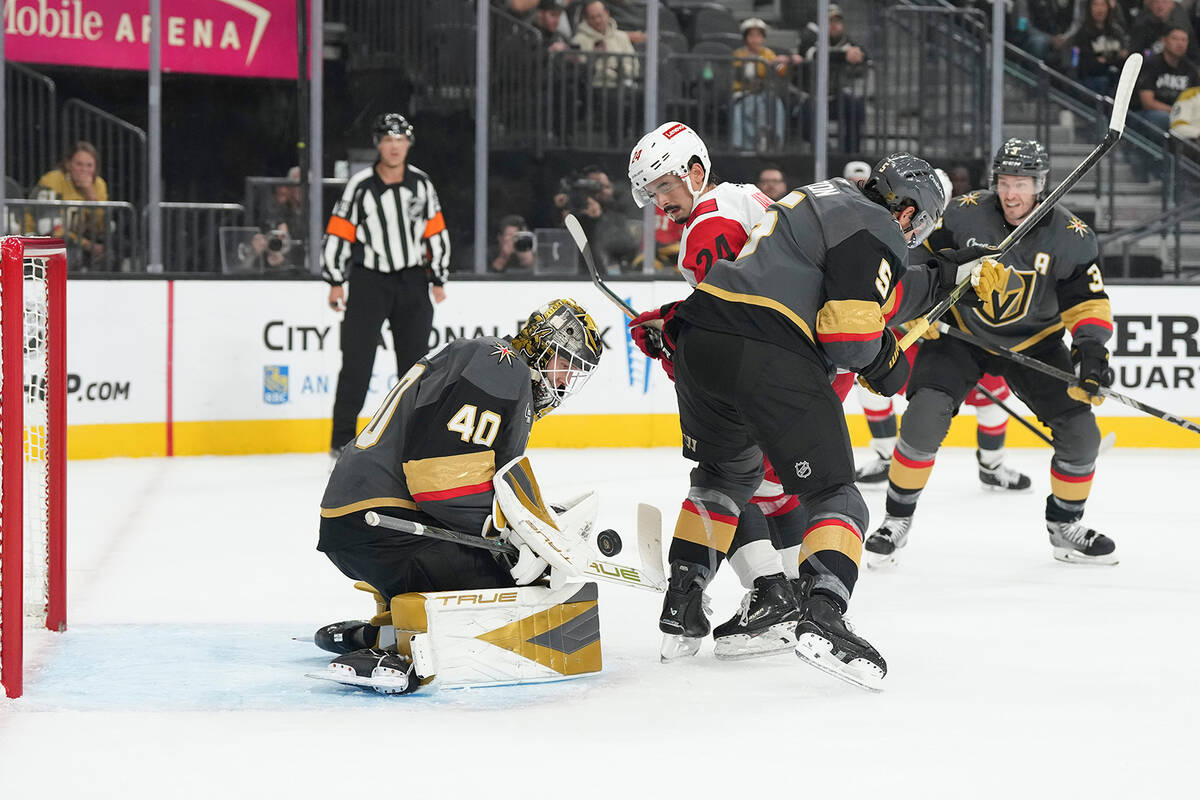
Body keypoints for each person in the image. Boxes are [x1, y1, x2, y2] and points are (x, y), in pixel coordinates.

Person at [632, 144, 990, 687]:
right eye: (921, 227)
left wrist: (945, 274)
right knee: (837, 496)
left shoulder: (823, 200)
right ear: (909, 211)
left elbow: (878, 292)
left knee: (723, 480)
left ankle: (681, 606)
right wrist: (891, 366)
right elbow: (848, 334)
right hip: (769, 350)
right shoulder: (878, 228)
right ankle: (823, 615)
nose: (915, 237)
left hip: (701, 344)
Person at [314, 298, 603, 693]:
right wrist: (510, 534)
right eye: (565, 363)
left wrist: (522, 524)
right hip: (385, 525)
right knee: (520, 585)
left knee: (516, 565)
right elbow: (441, 483)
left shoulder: (493, 365)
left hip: (364, 520)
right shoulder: (502, 365)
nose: (566, 381)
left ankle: (378, 634)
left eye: (576, 372)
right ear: (541, 342)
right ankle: (404, 648)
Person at [865, 139, 1119, 569]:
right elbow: (914, 257)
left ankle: (1065, 527)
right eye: (1004, 182)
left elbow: (1087, 302)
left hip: (1035, 341)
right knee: (923, 418)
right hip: (961, 334)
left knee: (1082, 436)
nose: (1011, 193)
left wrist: (1091, 352)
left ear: (1041, 185)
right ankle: (896, 520)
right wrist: (912, 308)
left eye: (1021, 183)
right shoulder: (962, 212)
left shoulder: (1071, 236)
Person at [627, 121, 815, 661]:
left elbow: (729, 315)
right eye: (652, 191)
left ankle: (772, 595)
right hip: (798, 361)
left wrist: (672, 329)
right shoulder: (738, 198)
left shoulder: (708, 227)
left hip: (770, 369)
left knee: (726, 477)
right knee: (760, 482)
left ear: (695, 170)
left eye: (665, 186)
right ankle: (783, 592)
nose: (660, 202)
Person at [323, 113, 450, 457]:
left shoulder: (421, 184)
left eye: (400, 140)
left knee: (415, 366)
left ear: (408, 143)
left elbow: (435, 231)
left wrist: (437, 276)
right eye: (387, 140)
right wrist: (335, 280)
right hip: (369, 280)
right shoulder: (360, 185)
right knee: (357, 361)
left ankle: (412, 438)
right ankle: (341, 440)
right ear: (378, 144)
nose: (394, 147)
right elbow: (339, 231)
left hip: (412, 280)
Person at [798, 5, 868, 153]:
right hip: (811, 96)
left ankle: (851, 152)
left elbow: (863, 54)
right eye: (830, 21)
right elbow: (812, 54)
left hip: (835, 96)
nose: (835, 26)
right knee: (807, 114)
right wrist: (843, 56)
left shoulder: (845, 40)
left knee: (856, 106)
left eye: (838, 22)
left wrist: (859, 55)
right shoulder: (810, 37)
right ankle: (822, 151)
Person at [32, 141, 110, 270]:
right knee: (71, 252)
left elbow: (101, 227)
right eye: (79, 164)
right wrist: (86, 244)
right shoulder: (52, 180)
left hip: (81, 239)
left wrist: (91, 196)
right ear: (68, 164)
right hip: (42, 237)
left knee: (111, 252)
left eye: (89, 165)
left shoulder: (98, 185)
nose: (84, 170)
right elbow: (47, 227)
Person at [572, 1, 642, 142]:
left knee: (643, 95)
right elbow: (581, 70)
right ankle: (615, 141)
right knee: (614, 98)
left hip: (624, 82)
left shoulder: (622, 37)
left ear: (607, 14)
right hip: (596, 86)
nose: (597, 20)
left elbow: (634, 65)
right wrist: (596, 59)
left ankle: (637, 139)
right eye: (592, 17)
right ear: (586, 19)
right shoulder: (579, 40)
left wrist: (620, 70)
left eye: (599, 16)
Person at [731, 17, 791, 151]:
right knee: (750, 107)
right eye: (751, 35)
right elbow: (741, 76)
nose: (755, 39)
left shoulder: (768, 54)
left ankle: (774, 140)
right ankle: (748, 145)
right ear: (746, 37)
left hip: (764, 93)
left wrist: (782, 62)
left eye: (759, 35)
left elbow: (780, 70)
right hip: (744, 93)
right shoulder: (739, 54)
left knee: (777, 105)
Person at [1133, 26, 1199, 131]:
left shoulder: (1191, 70)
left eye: (1184, 40)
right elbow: (1148, 103)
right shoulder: (1151, 64)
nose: (1180, 43)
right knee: (1165, 120)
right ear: (1164, 41)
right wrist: (1174, 112)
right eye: (1175, 39)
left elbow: (1195, 102)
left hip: (1179, 115)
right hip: (1146, 114)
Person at [1065, 0, 1131, 97]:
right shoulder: (1083, 34)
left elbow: (1124, 59)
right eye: (1095, 5)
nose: (1099, 9)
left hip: (1115, 77)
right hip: (1092, 80)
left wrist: (1105, 60)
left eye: (1102, 5)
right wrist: (1114, 58)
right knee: (1104, 82)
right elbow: (1089, 65)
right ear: (1089, 8)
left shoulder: (1116, 32)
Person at [246, 166, 306, 272]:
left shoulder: (315, 215)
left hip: (306, 267)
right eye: (296, 186)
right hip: (278, 268)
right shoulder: (276, 213)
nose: (299, 190)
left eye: (303, 186)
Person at [1130, 0, 1199, 61]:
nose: (1160, 6)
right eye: (1156, 2)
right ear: (1150, 6)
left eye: (1164, 2)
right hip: (1148, 67)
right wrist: (1150, 54)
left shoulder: (1182, 24)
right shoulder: (1142, 25)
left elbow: (1193, 52)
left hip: (1180, 69)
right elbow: (1135, 53)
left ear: (1172, 5)